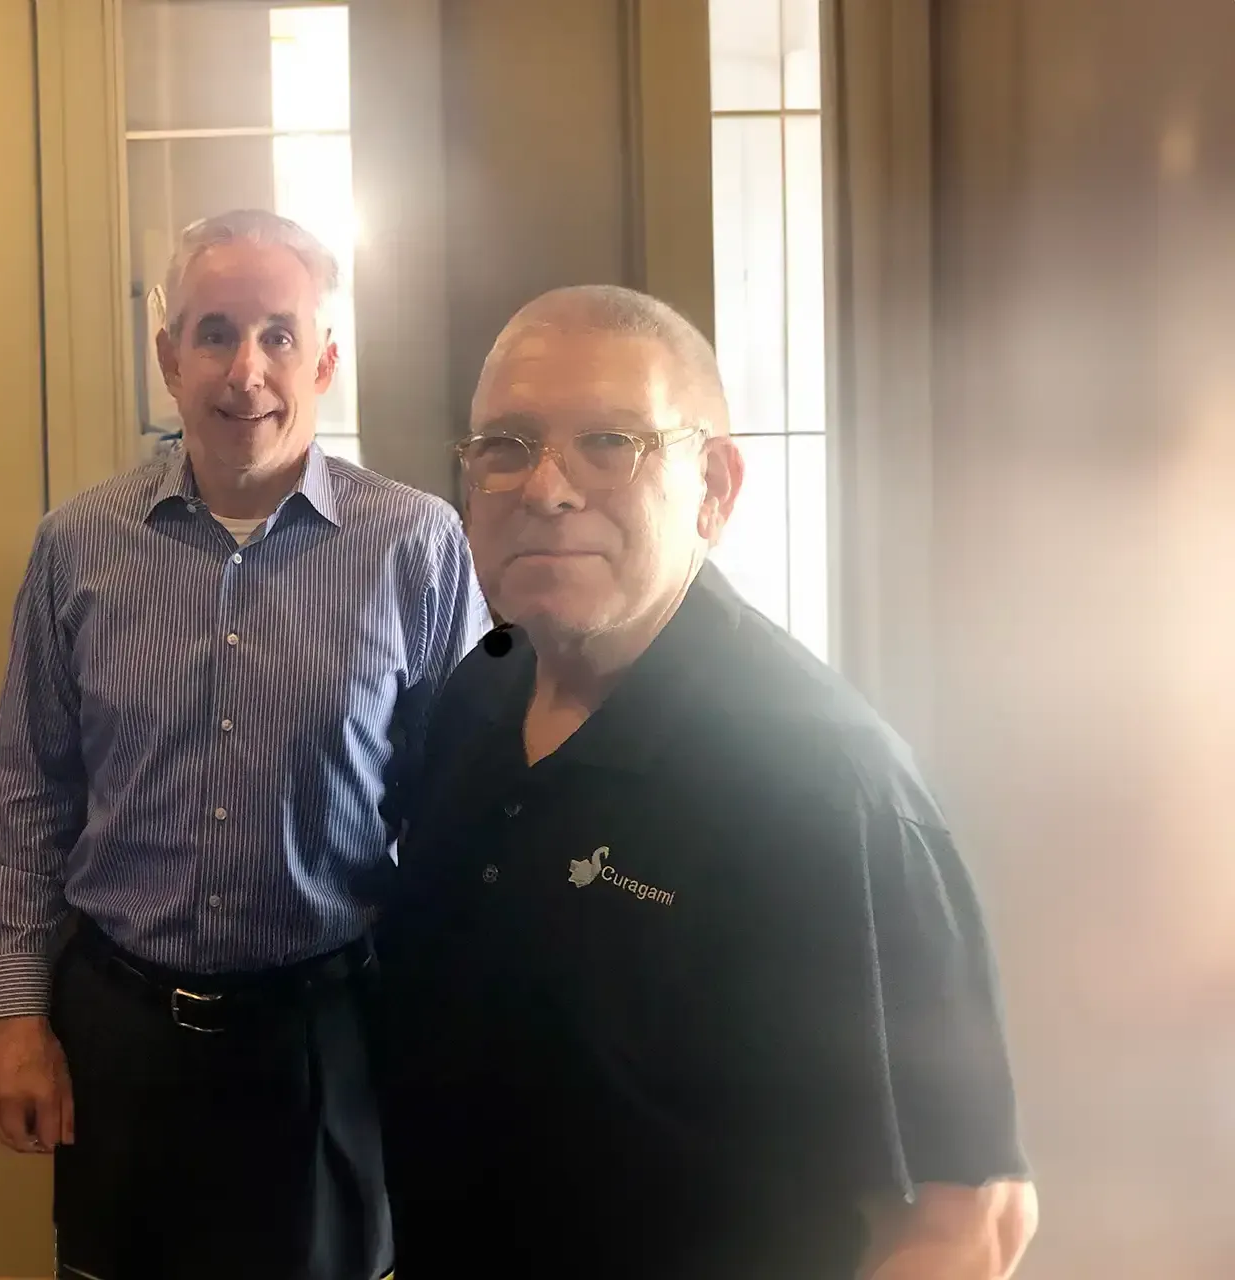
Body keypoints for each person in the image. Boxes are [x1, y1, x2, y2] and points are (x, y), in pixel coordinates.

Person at [376, 285, 1039, 1278]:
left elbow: (968, 1220)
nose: (546, 487)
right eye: (505, 445)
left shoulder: (824, 786)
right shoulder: (476, 698)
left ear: (715, 487)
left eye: (610, 441)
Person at [0, 208, 490, 1280]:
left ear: (327, 359)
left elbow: (463, 810)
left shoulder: (420, 545)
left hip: (328, 1028)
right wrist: (16, 1015)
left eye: (279, 334)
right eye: (214, 331)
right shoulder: (79, 545)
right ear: (169, 355)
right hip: (121, 1029)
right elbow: (28, 792)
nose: (245, 369)